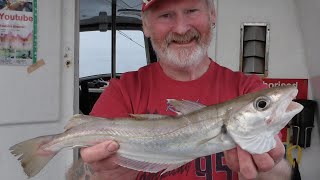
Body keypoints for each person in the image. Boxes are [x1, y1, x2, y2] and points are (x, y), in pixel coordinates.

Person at [79, 0, 292, 179]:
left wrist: (269, 169)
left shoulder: (248, 89)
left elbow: (283, 172)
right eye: (165, 15)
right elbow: (80, 171)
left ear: (212, 14)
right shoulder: (123, 90)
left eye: (191, 10)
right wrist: (99, 175)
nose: (181, 29)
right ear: (146, 26)